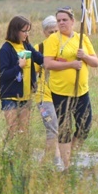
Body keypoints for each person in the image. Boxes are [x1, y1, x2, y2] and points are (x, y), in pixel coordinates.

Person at [43, 6, 98, 169]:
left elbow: (95, 62)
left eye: (64, 20)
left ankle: (71, 155)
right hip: (60, 92)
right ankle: (67, 166)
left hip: (81, 91)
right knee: (65, 128)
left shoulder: (82, 38)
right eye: (59, 20)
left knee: (84, 126)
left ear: (73, 22)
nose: (61, 23)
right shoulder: (53, 40)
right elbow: (48, 64)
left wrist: (85, 56)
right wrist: (71, 64)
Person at [0, 16, 44, 138]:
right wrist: (19, 67)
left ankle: (23, 155)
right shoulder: (5, 49)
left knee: (24, 131)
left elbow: (40, 59)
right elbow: (3, 75)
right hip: (10, 96)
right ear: (15, 31)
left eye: (28, 31)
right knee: (12, 130)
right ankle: (9, 155)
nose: (27, 34)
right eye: (24, 31)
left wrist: (56, 61)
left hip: (26, 95)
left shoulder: (27, 46)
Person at [35, 15, 63, 170]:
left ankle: (54, 159)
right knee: (52, 127)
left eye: (56, 31)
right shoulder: (39, 48)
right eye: (50, 31)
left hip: (62, 92)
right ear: (44, 33)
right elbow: (33, 72)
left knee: (59, 128)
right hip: (43, 95)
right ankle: (48, 163)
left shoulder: (64, 46)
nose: (53, 34)